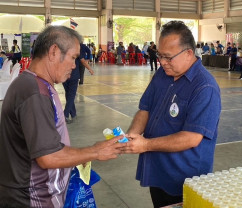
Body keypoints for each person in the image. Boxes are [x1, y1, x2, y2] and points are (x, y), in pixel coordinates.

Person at [0, 26, 128, 207]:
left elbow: (48, 142)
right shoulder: (34, 92)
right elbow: (48, 157)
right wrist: (95, 151)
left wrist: (77, 157)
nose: (75, 65)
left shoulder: (40, 85)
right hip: (29, 199)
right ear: (53, 52)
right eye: (73, 57)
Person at [124, 20, 221, 208]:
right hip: (157, 170)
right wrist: (133, 135)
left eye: (168, 57)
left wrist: (145, 144)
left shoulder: (204, 87)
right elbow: (145, 108)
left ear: (189, 53)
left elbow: (191, 138)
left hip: (184, 178)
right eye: (160, 56)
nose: (162, 62)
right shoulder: (163, 74)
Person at [63, 42, 94, 124]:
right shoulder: (76, 49)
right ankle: (65, 115)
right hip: (73, 75)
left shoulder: (63, 48)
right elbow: (83, 61)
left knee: (68, 94)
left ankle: (73, 114)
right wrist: (90, 69)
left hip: (64, 75)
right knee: (71, 95)